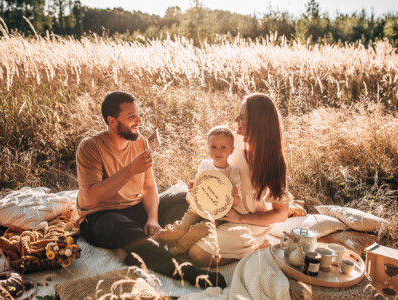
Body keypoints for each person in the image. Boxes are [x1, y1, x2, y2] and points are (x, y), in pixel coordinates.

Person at [75, 91, 226, 288]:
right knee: (120, 226)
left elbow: (149, 186)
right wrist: (130, 170)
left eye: (138, 114)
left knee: (185, 199)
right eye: (131, 117)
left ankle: (142, 253)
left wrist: (152, 218)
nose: (139, 120)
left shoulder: (140, 142)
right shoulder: (90, 147)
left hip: (134, 208)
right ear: (112, 121)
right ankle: (186, 271)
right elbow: (91, 197)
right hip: (101, 217)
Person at [188, 92, 293, 267]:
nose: (236, 119)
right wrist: (197, 188)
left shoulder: (272, 162)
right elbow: (215, 167)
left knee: (197, 254)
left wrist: (239, 219)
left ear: (258, 125)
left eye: (242, 117)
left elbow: (281, 213)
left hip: (247, 220)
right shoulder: (233, 140)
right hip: (217, 208)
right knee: (180, 230)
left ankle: (252, 249)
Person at [153, 125, 244, 255]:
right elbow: (195, 193)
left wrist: (235, 198)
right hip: (197, 206)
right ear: (208, 147)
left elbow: (237, 203)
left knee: (201, 229)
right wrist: (191, 190)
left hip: (217, 215)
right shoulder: (205, 165)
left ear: (231, 150)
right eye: (213, 147)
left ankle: (174, 251)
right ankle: (155, 240)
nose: (218, 151)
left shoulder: (233, 172)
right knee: (183, 226)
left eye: (223, 147)